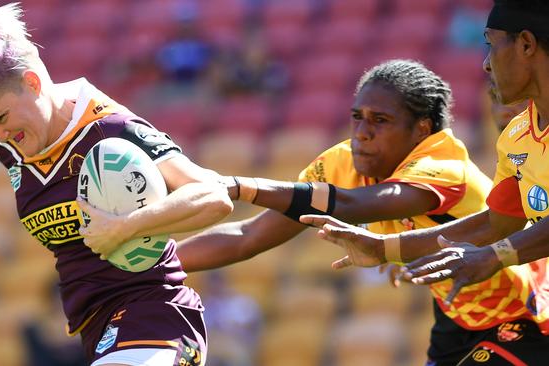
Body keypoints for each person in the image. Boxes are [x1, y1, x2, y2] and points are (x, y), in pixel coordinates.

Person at [176, 59, 536, 366]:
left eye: (380, 120)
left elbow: (355, 205)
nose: (362, 133)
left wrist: (240, 186)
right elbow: (247, 237)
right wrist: (154, 263)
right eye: (357, 117)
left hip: (528, 313)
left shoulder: (443, 163)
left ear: (422, 129)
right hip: (457, 319)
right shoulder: (344, 162)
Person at [0, 4, 233, 366]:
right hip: (97, 332)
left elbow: (215, 196)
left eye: (1, 117)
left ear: (33, 83)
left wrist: (126, 227)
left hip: (156, 315)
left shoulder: (110, 128)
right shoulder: (10, 145)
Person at [302, 1, 549, 363]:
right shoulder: (518, 137)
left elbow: (497, 242)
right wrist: (384, 248)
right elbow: (496, 222)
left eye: (491, 44)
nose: (485, 63)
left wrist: (496, 257)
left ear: (526, 44)